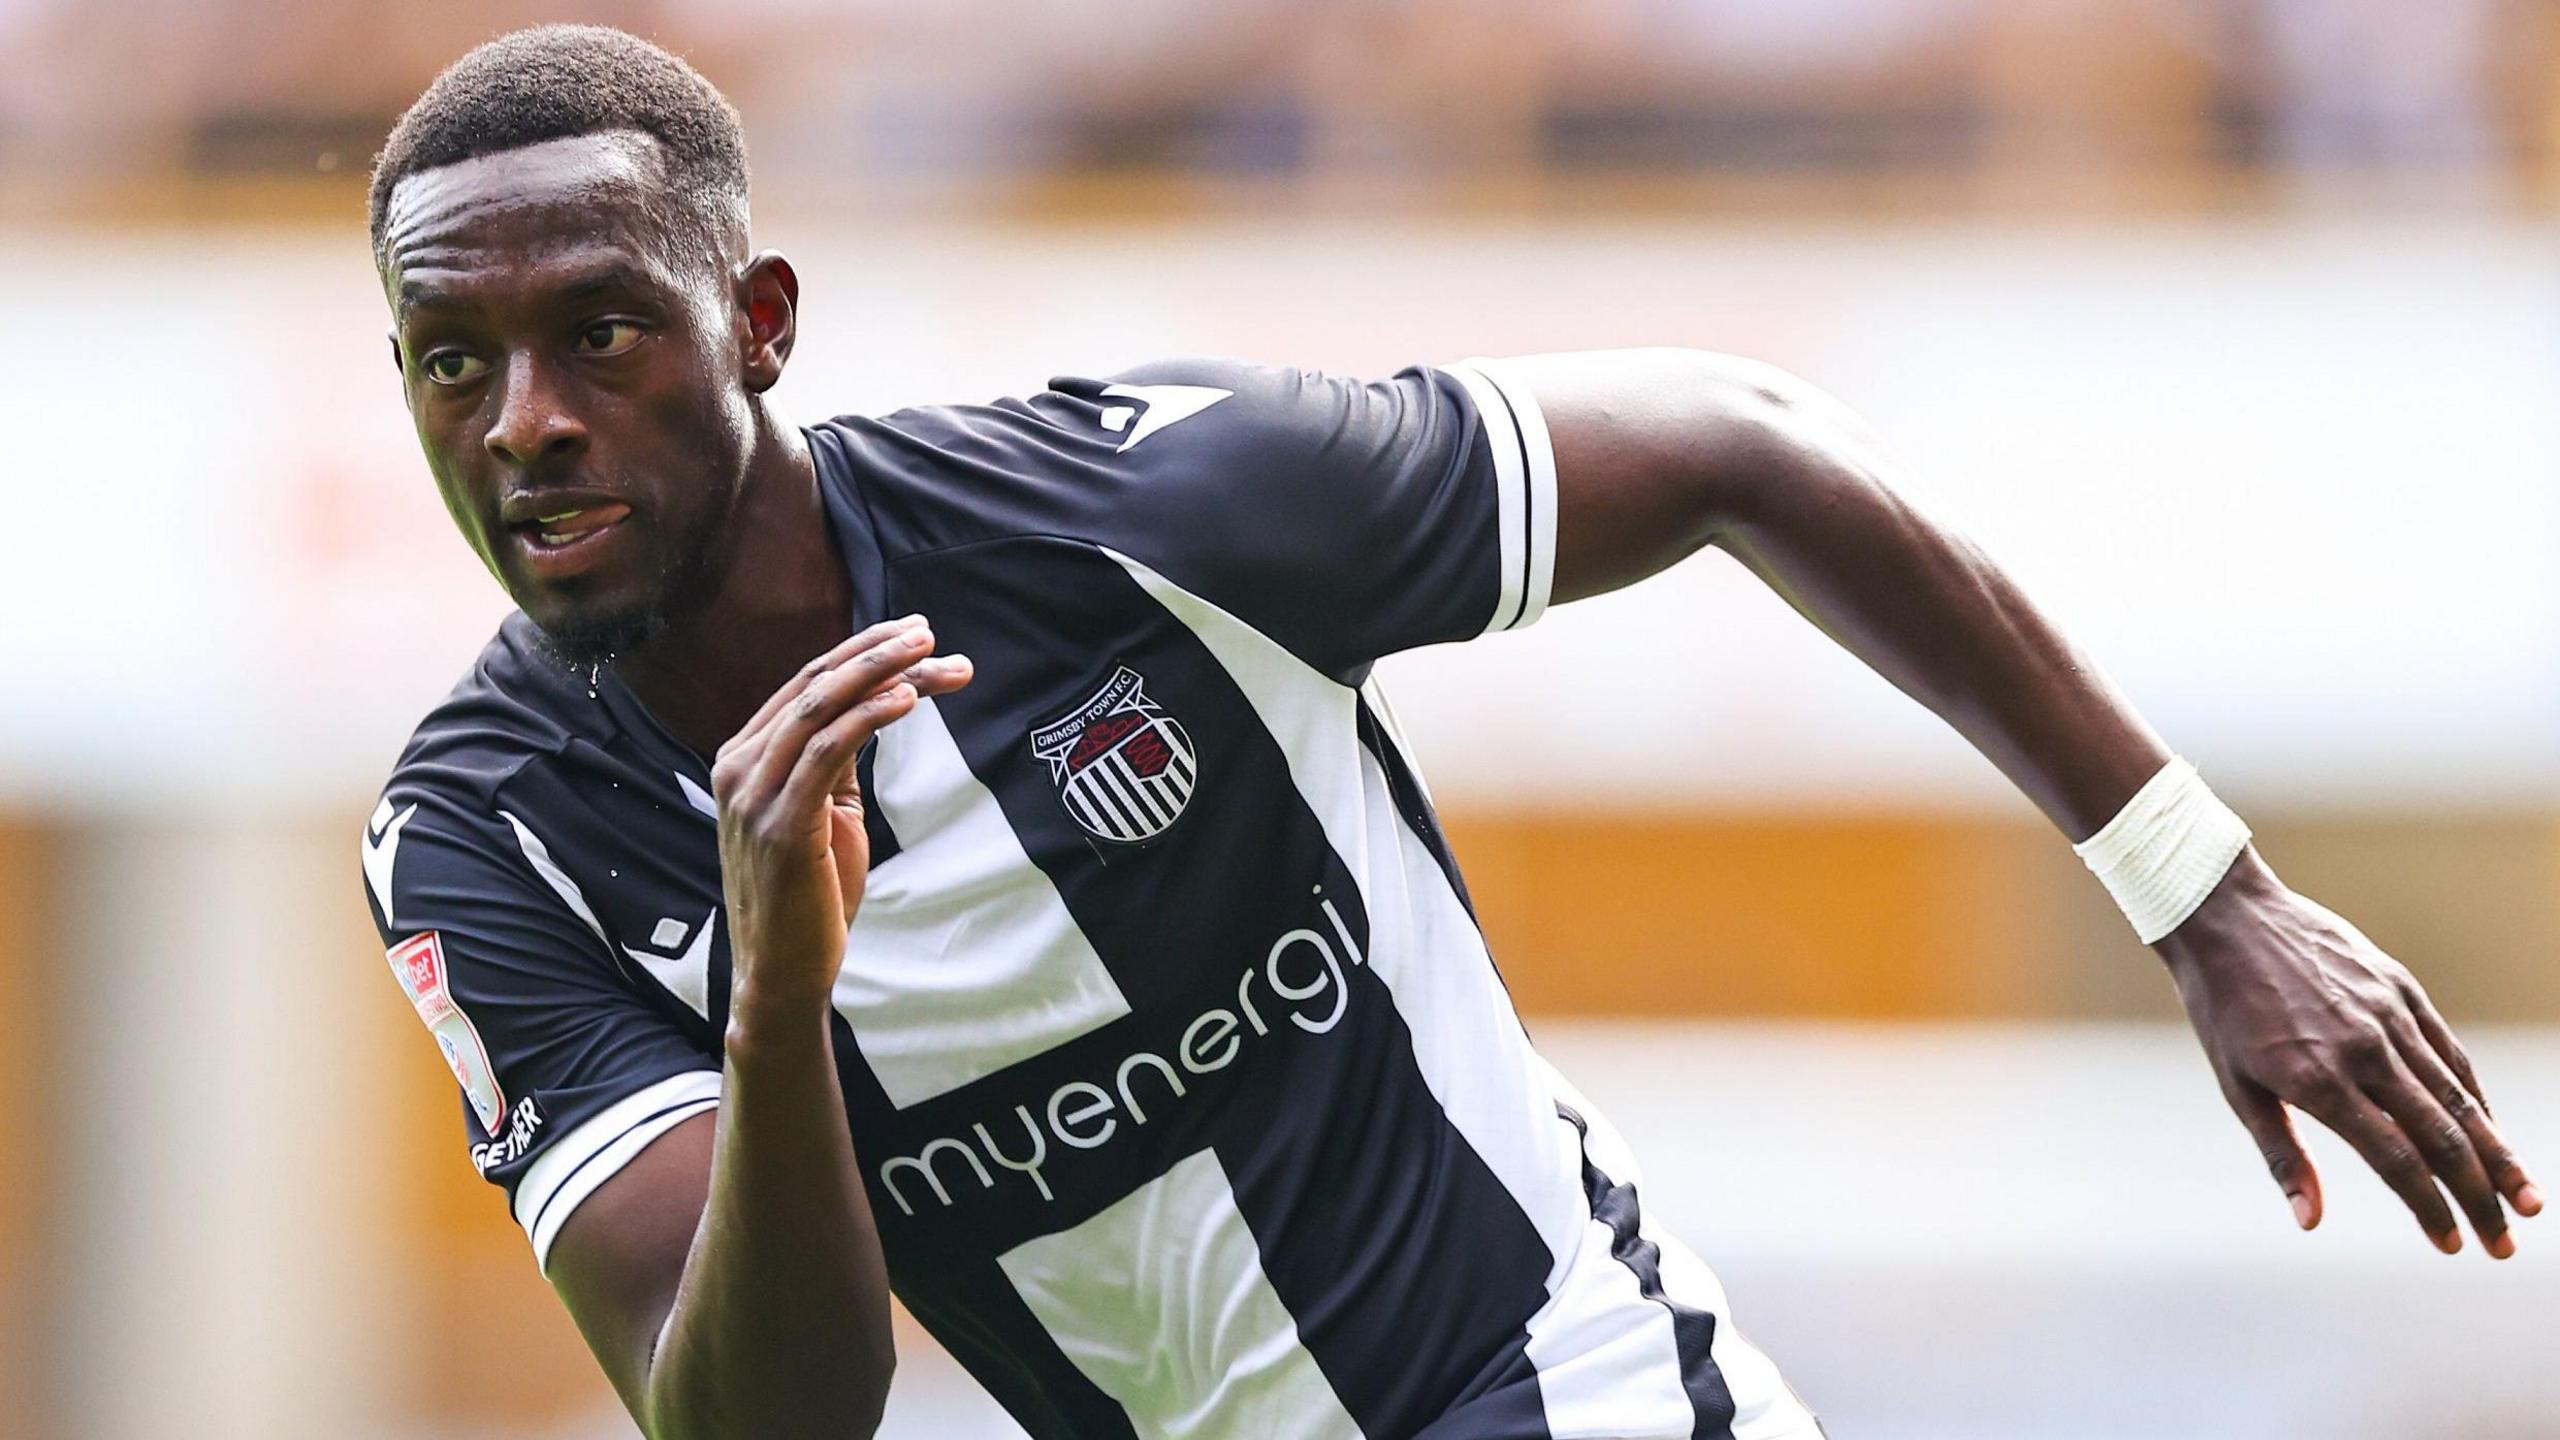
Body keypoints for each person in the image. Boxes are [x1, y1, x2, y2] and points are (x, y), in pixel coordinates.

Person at [357, 24, 2537, 1440]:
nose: (528, 425)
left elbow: (1735, 440)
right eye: (452, 364)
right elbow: (759, 1423)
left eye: (600, 333)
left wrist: (2199, 892)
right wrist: (783, 998)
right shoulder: (482, 841)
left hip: (1567, 1390)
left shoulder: (1129, 509)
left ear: (757, 323)